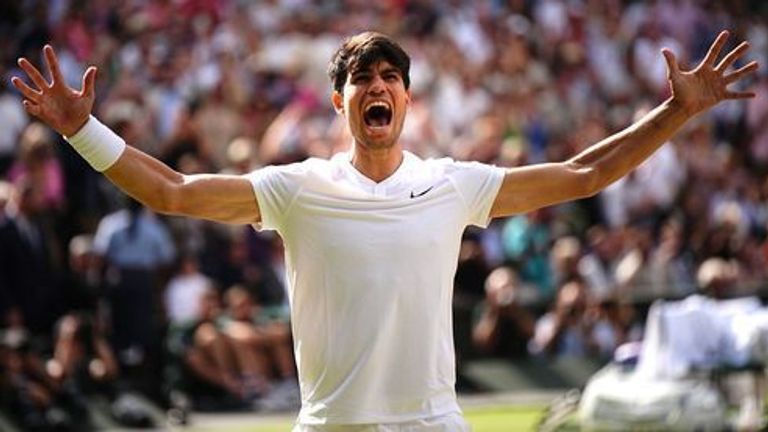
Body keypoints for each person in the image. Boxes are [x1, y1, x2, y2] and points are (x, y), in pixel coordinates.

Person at [10, 30, 758, 431]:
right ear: (340, 101)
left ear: (404, 99)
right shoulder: (297, 188)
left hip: (434, 424)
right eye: (363, 78)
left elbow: (585, 174)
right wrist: (83, 131)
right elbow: (172, 192)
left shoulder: (455, 183)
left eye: (391, 77)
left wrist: (677, 113)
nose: (378, 86)